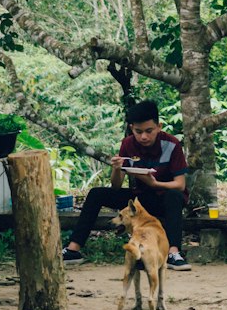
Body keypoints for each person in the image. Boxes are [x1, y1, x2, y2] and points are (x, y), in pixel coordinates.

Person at [62, 99, 191, 270]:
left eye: (149, 131)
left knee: (174, 196)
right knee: (96, 193)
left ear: (159, 126)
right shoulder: (128, 144)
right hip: (140, 199)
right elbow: (116, 186)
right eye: (138, 131)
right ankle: (74, 249)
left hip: (165, 199)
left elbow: (180, 185)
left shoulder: (171, 144)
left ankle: (173, 253)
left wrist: (155, 183)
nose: (143, 136)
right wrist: (116, 169)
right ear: (132, 129)